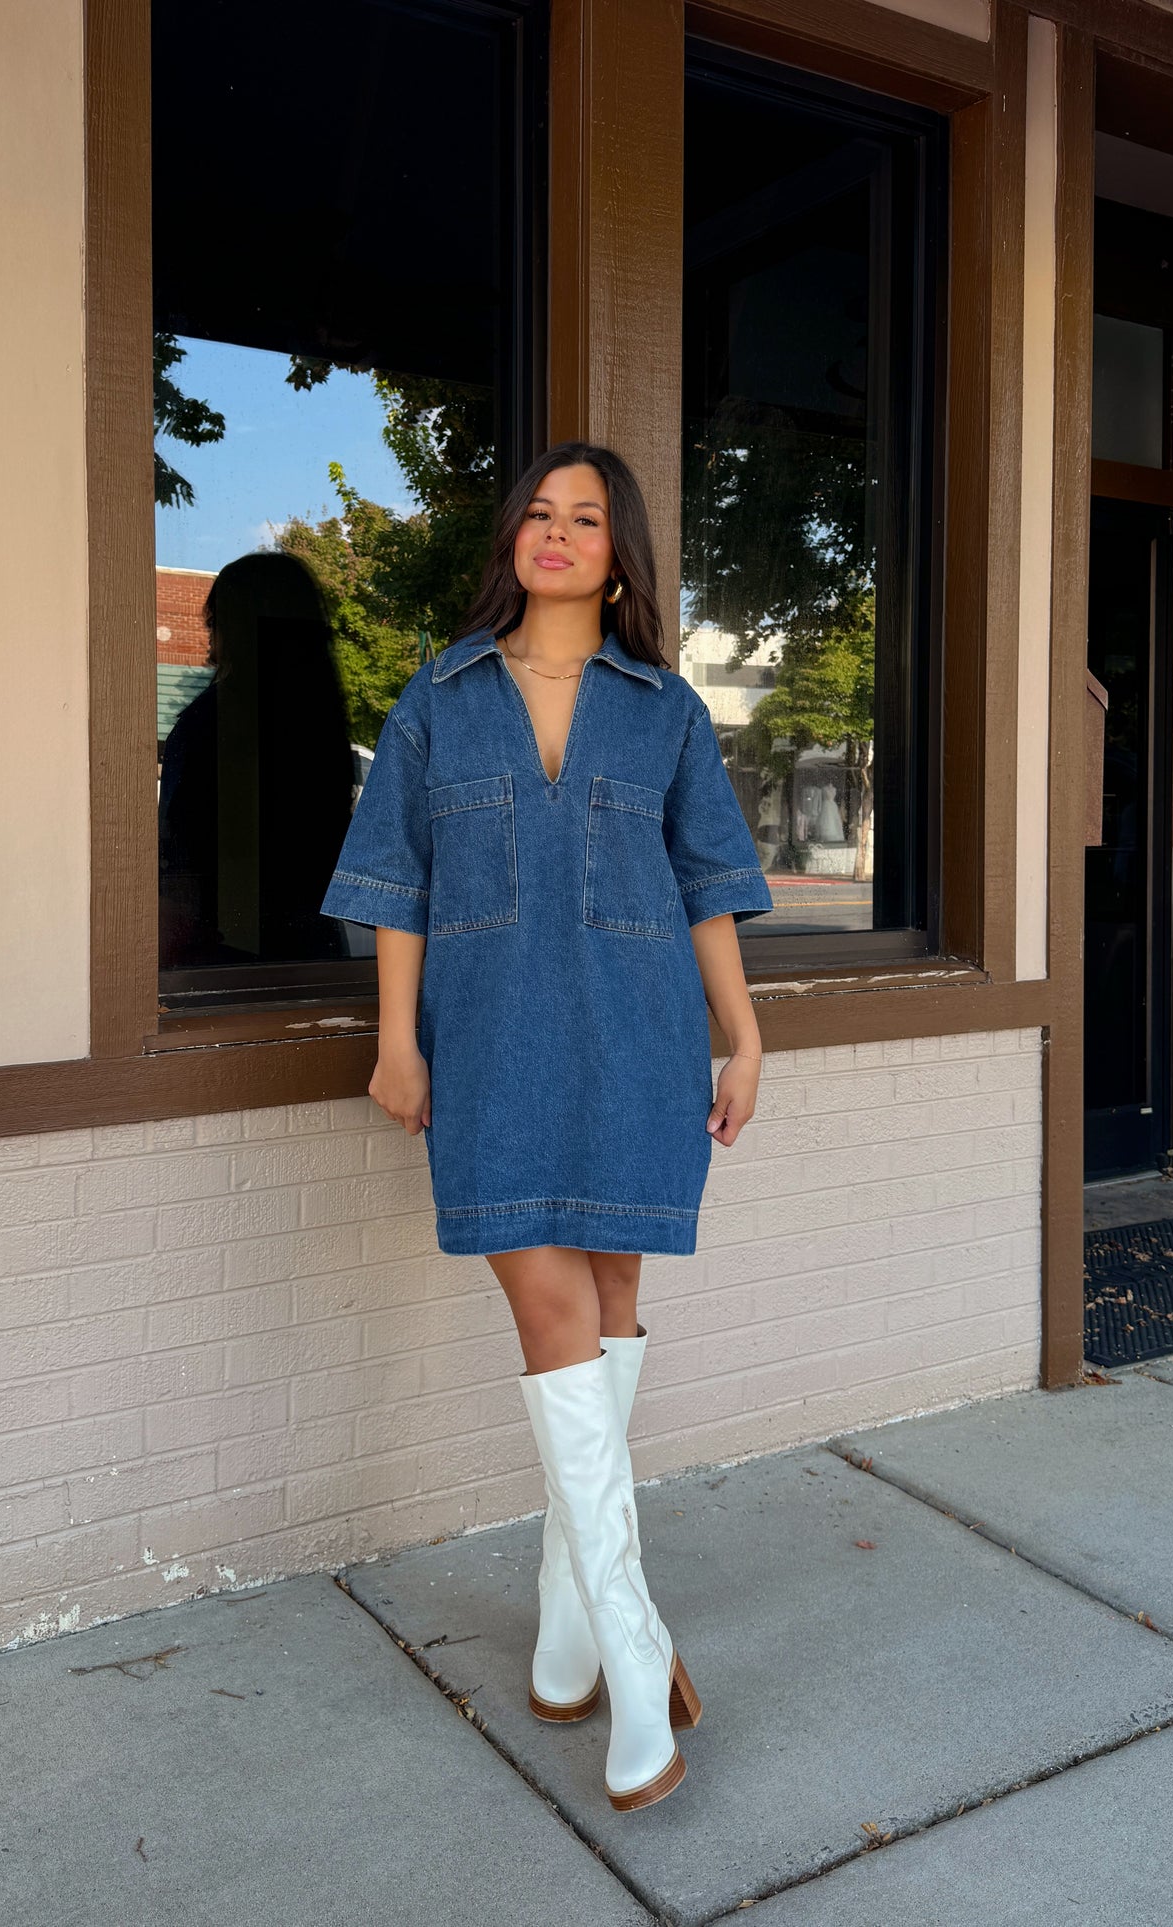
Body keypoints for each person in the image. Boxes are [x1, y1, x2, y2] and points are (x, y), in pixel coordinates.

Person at [319, 440, 773, 1812]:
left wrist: (741, 1033)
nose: (556, 534)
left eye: (584, 519)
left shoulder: (663, 709)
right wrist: (396, 1040)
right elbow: (393, 880)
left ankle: (569, 1607)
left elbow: (705, 879)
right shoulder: (439, 698)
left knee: (616, 1288)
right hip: (493, 1043)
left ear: (619, 553)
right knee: (546, 1307)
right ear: (510, 540)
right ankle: (634, 1644)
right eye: (537, 513)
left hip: (639, 1035)